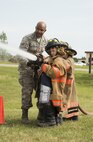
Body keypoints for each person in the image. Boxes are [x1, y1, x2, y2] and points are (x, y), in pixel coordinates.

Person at [18, 21, 47, 124]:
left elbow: (45, 55)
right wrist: (28, 63)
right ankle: (24, 115)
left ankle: (41, 114)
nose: (39, 31)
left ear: (45, 30)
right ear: (35, 28)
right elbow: (20, 54)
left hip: (38, 71)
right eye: (38, 29)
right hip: (27, 70)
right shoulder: (27, 38)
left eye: (42, 30)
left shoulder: (45, 40)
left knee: (41, 91)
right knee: (27, 91)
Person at [36, 38, 69, 127]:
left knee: (48, 102)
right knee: (45, 101)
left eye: (54, 47)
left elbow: (55, 73)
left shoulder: (59, 60)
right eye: (50, 48)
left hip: (55, 89)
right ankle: (48, 119)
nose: (52, 50)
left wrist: (45, 66)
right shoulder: (52, 59)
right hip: (51, 87)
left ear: (58, 49)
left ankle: (50, 121)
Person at [63, 46, 79, 121]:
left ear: (67, 53)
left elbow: (64, 67)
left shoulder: (68, 60)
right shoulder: (70, 59)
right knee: (72, 99)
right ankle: (73, 116)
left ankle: (71, 116)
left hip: (68, 83)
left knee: (68, 98)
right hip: (70, 82)